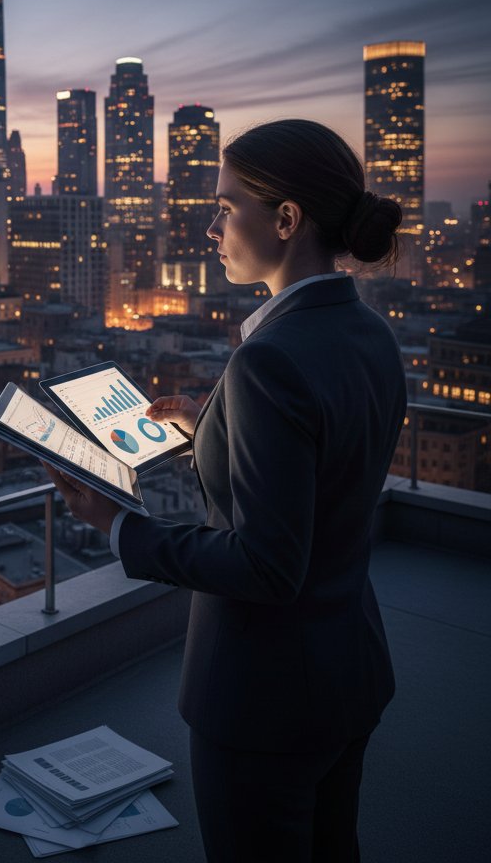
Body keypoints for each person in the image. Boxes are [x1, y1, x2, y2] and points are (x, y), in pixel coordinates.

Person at [43, 119, 406, 863]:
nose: (211, 226)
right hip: (349, 670)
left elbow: (269, 565)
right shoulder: (367, 333)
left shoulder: (269, 361)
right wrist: (208, 421)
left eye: (226, 205)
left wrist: (118, 526)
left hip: (264, 699)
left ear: (286, 219)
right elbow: (325, 463)